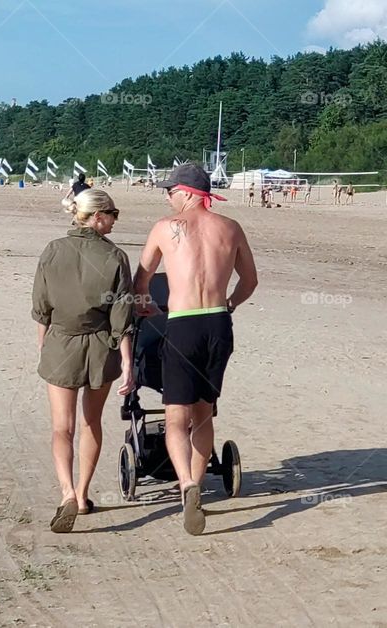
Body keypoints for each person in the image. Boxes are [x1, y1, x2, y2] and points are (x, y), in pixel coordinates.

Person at [132, 164, 258, 536]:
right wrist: (231, 303)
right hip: (218, 323)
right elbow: (250, 281)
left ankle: (186, 483)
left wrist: (148, 307)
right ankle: (198, 487)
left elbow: (142, 280)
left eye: (169, 191)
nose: (167, 198)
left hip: (183, 323)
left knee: (175, 417)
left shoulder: (164, 228)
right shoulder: (230, 228)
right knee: (203, 414)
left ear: (186, 192)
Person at [32, 189, 135, 533]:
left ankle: (66, 493)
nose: (116, 220)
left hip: (60, 342)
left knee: (62, 427)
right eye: (113, 214)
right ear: (97, 216)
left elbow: (42, 308)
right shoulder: (116, 257)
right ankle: (83, 492)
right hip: (100, 346)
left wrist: (43, 346)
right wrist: (128, 364)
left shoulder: (52, 250)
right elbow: (123, 318)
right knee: (91, 423)